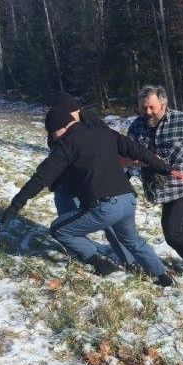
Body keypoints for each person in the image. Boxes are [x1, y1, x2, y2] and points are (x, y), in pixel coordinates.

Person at [1, 104, 177, 287]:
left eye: (52, 132)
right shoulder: (104, 132)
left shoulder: (66, 144)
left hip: (106, 206)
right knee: (133, 240)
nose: (52, 137)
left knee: (59, 229)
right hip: (128, 200)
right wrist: (162, 166)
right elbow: (138, 150)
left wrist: (16, 205)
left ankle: (99, 263)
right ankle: (163, 277)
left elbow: (41, 177)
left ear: (59, 127)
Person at [126, 85, 183, 280]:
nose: (148, 112)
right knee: (170, 233)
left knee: (174, 229)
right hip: (162, 190)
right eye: (144, 108)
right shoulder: (136, 127)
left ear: (163, 103)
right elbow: (128, 155)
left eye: (152, 107)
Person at [44, 92, 137, 271]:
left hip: (93, 182)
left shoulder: (93, 123)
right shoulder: (56, 123)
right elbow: (54, 152)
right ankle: (85, 255)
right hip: (65, 181)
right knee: (67, 216)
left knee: (109, 221)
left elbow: (112, 147)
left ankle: (129, 260)